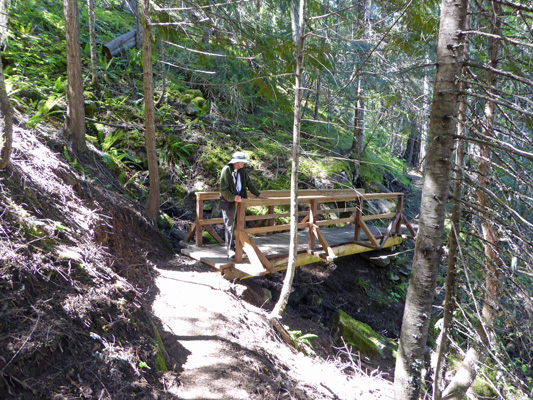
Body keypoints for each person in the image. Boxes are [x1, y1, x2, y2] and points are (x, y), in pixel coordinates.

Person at [220, 151, 267, 258]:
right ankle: (230, 249)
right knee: (229, 226)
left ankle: (240, 246)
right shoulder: (226, 170)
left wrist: (258, 194)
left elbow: (249, 184)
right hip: (229, 201)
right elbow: (223, 189)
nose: (243, 164)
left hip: (241, 201)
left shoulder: (242, 171)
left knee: (241, 224)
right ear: (236, 162)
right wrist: (233, 198)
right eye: (242, 162)